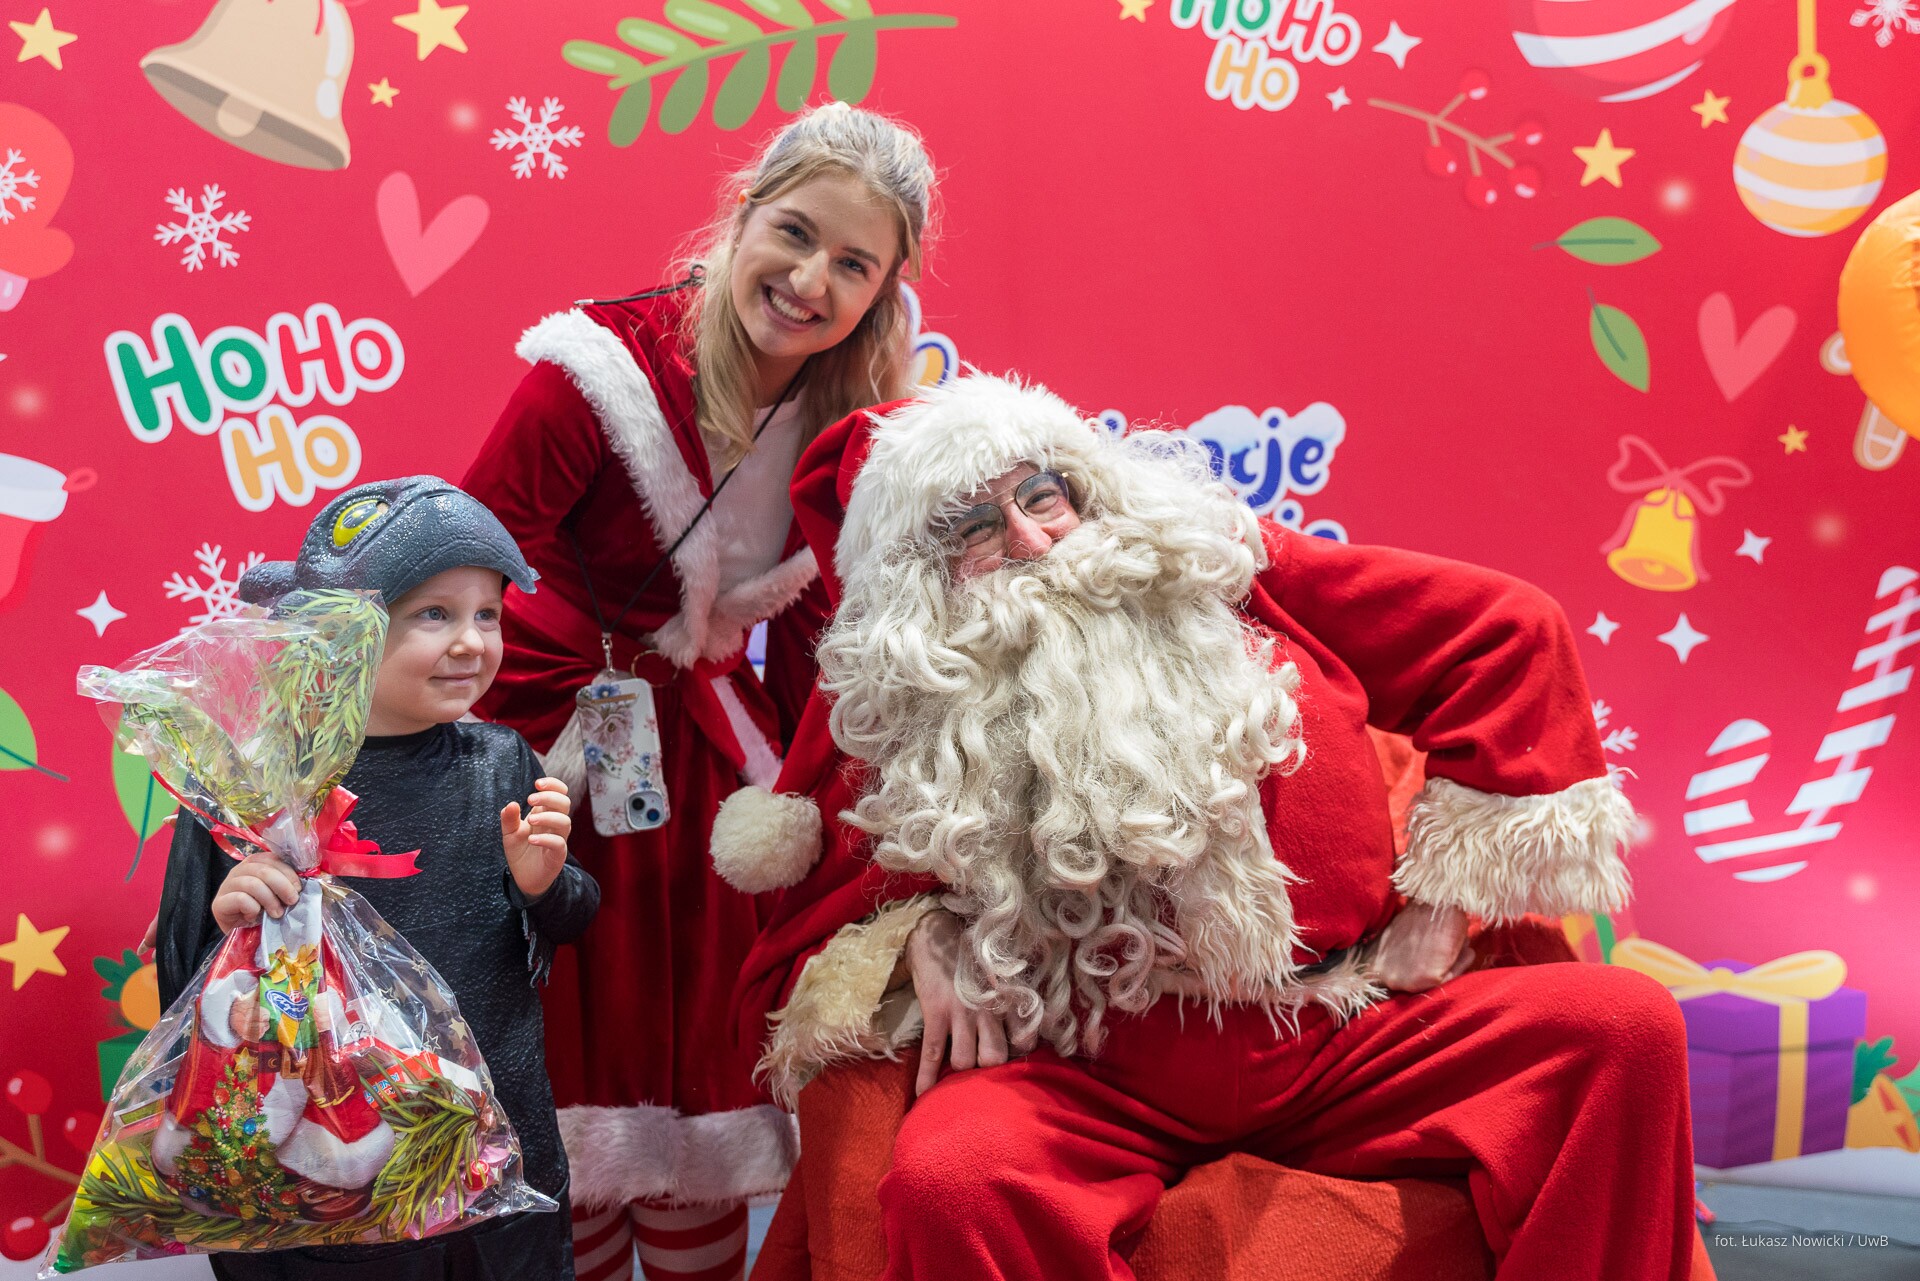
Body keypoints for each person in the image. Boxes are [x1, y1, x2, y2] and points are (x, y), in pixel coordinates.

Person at [717, 374, 1698, 1281]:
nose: (1031, 540)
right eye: (975, 526)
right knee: (952, 1179)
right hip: (1097, 1063)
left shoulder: (1221, 569)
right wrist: (915, 938)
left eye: (1041, 495)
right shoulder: (914, 703)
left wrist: (1443, 906)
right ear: (927, 579)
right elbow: (803, 941)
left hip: (1338, 1029)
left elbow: (1508, 630)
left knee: (1624, 1030)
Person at [460, 102, 937, 1281]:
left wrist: (836, 811)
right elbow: (470, 565)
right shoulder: (597, 373)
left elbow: (827, 646)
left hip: (720, 788)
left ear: (884, 290)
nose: (810, 281)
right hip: (554, 758)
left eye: (854, 264)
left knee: (703, 1116)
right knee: (569, 1092)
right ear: (743, 214)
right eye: (795, 232)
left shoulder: (854, 425)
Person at [155, 475, 601, 1279]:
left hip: (495, 1164)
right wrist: (232, 915)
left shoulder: (500, 762)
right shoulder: (257, 789)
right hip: (321, 1187)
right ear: (341, 632)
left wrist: (544, 884)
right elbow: (183, 986)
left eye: (487, 614)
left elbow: (574, 917)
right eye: (435, 613)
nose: (471, 642)